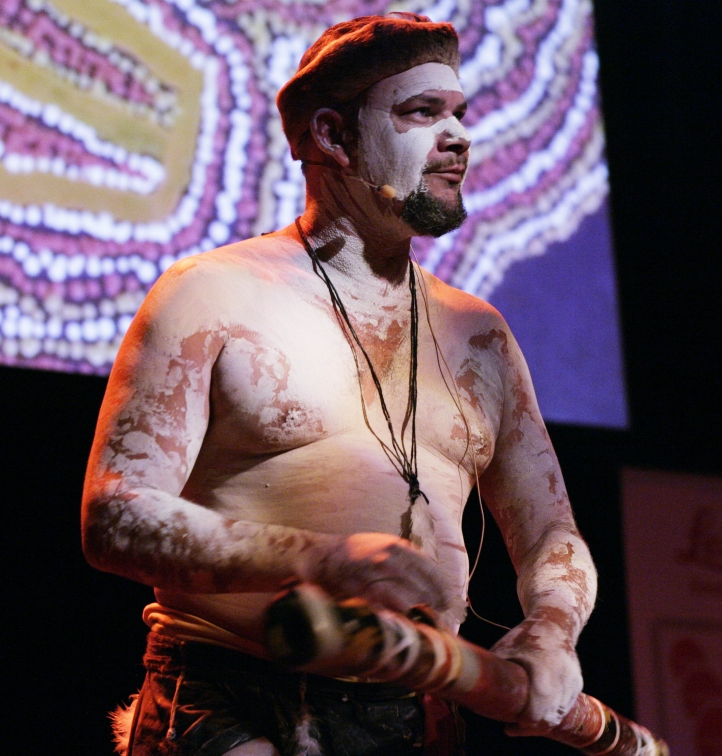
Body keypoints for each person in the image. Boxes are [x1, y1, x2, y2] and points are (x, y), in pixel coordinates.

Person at [82, 13, 597, 756]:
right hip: (234, 698)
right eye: (421, 112)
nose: (458, 136)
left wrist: (552, 628)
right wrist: (321, 559)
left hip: (415, 715)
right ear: (331, 133)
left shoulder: (479, 335)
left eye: (459, 113)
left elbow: (550, 530)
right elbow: (115, 514)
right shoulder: (210, 293)